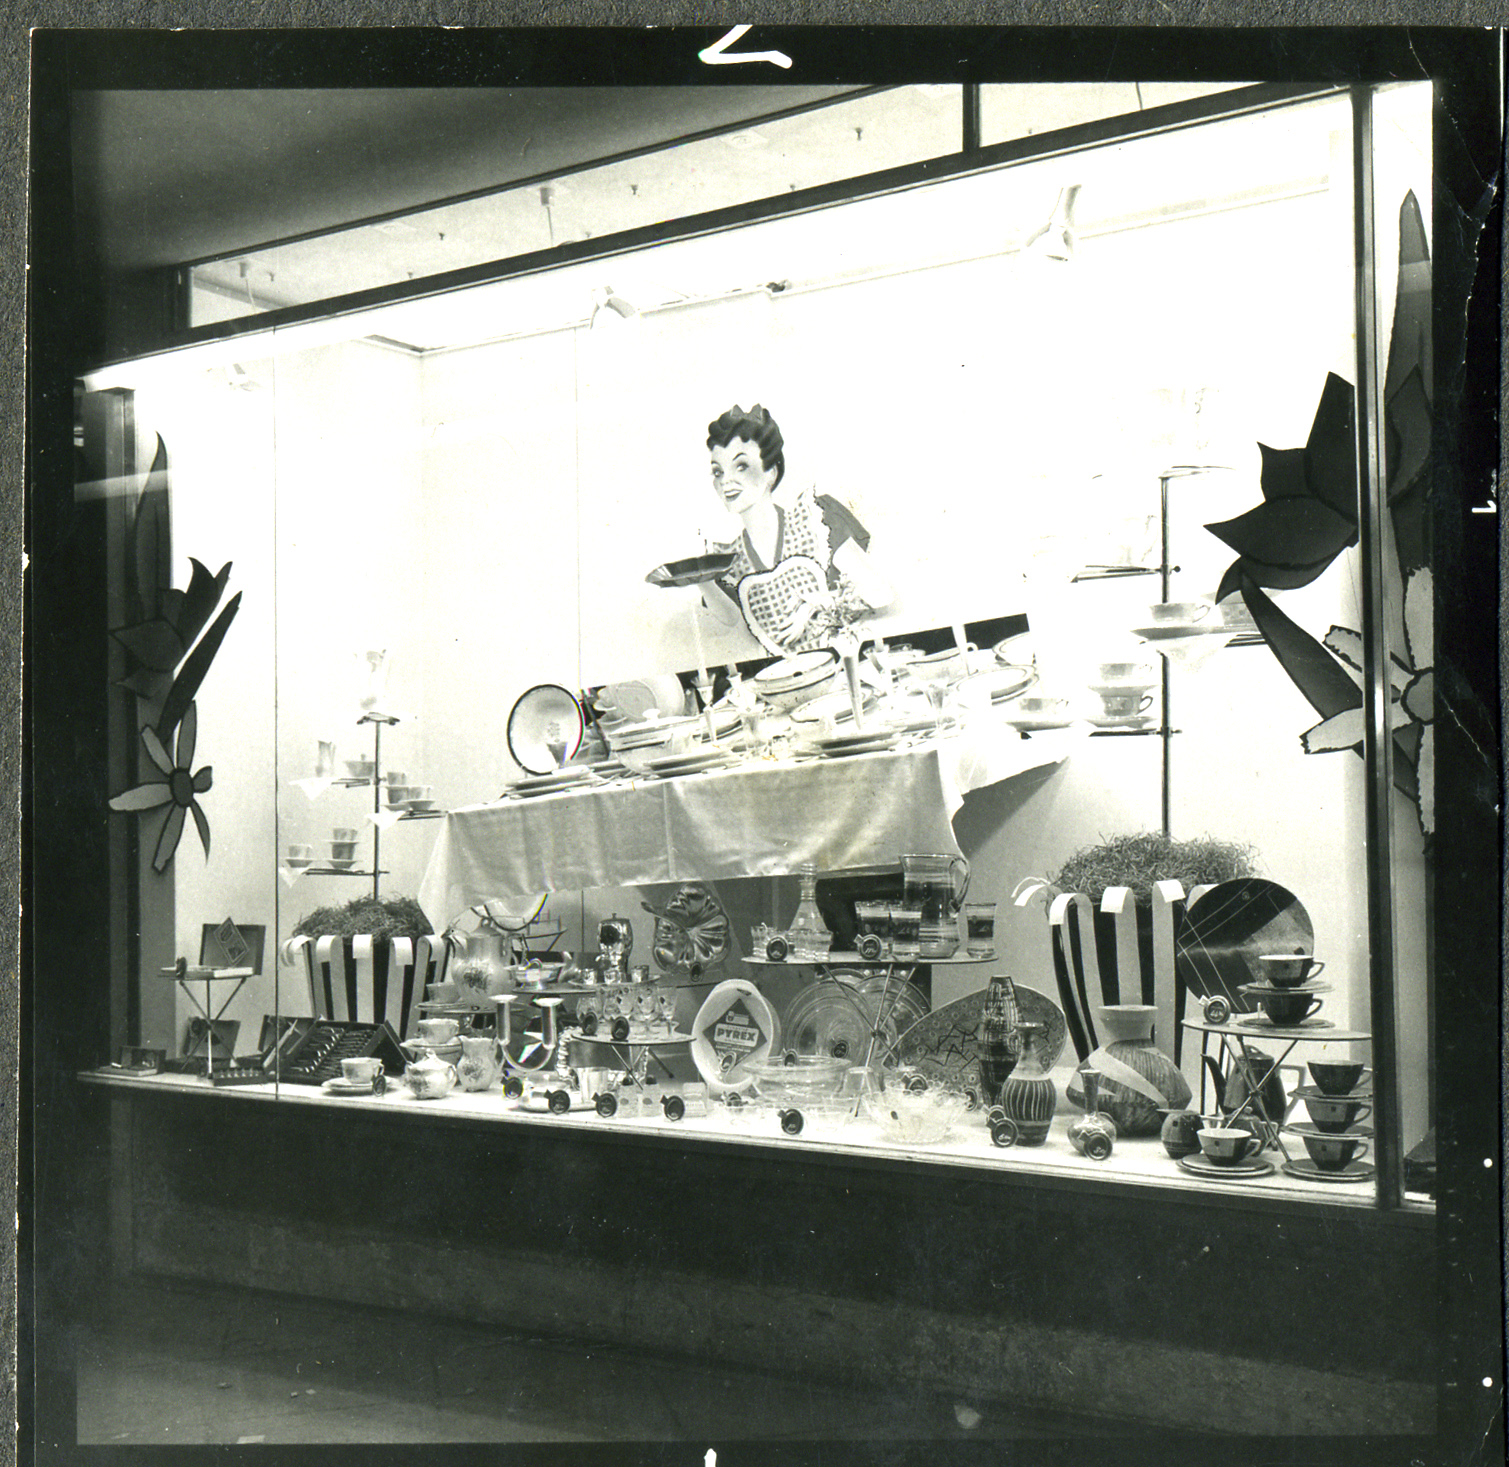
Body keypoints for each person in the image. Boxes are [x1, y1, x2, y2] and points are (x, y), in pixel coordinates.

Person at [699, 404, 893, 655]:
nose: (725, 480)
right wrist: (702, 582)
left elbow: (881, 594)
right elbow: (734, 633)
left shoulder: (816, 520)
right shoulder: (726, 560)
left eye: (741, 466)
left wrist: (816, 605)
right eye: (718, 471)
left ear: (771, 472)